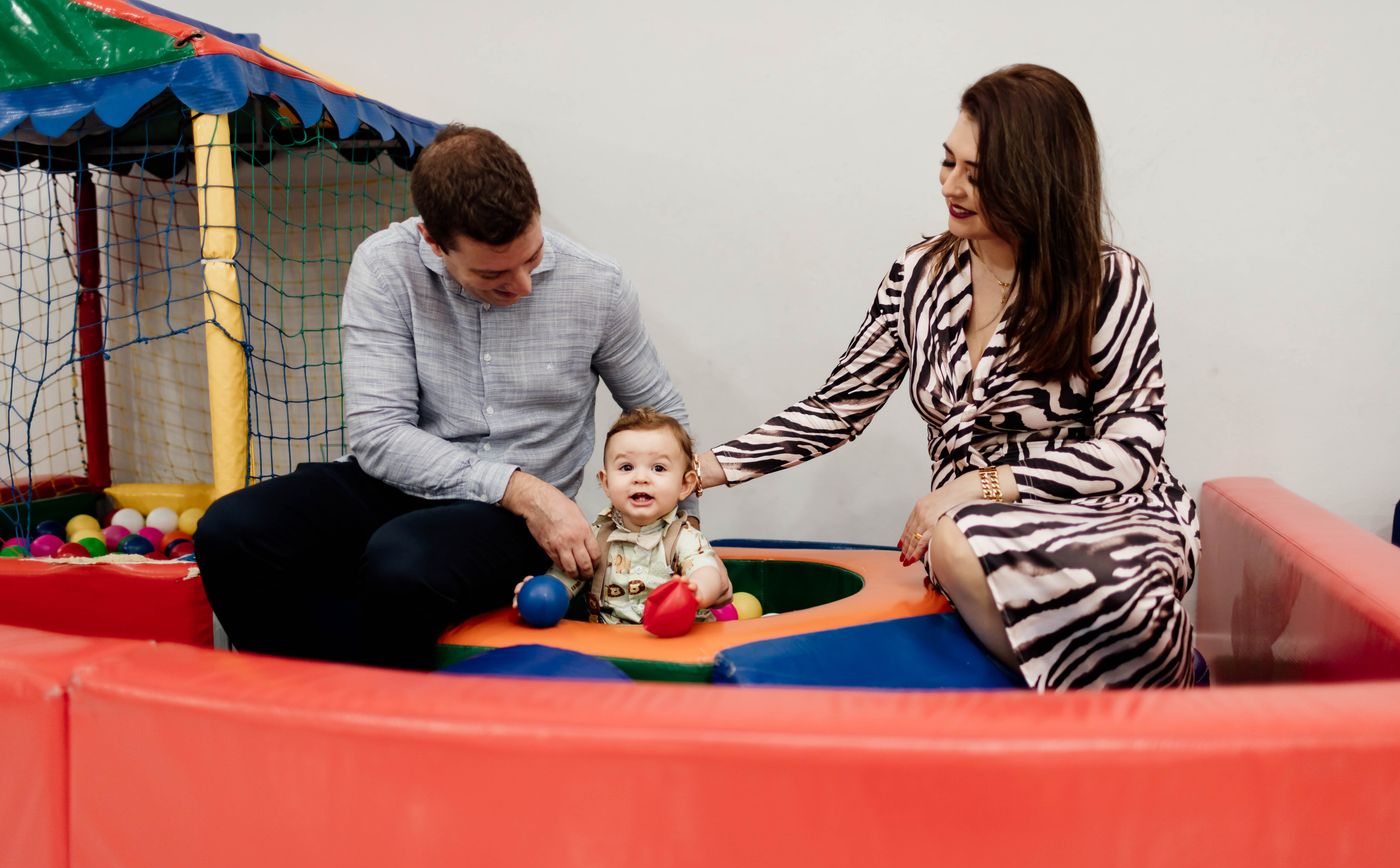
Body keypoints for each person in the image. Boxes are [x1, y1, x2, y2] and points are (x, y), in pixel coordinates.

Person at [696, 64, 1199, 690]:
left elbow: (1133, 449)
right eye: (947, 161)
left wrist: (980, 484)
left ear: (1035, 179)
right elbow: (838, 407)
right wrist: (701, 468)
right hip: (976, 535)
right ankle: (1113, 687)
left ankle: (1119, 673)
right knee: (960, 543)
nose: (950, 186)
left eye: (977, 175)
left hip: (1105, 512)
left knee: (1075, 569)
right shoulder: (918, 275)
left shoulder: (1110, 280)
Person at [196, 125, 693, 669]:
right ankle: (312, 695)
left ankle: (361, 694)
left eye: (531, 258)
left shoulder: (598, 285)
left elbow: (665, 418)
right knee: (231, 531)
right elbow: (379, 435)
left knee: (402, 560)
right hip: (413, 484)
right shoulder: (386, 265)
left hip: (516, 524)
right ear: (434, 242)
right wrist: (520, 488)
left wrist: (684, 546)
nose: (523, 285)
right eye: (493, 274)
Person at [516, 408, 731, 625]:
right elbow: (565, 579)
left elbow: (705, 570)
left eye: (658, 468)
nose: (640, 478)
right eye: (627, 467)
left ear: (685, 485)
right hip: (610, 641)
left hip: (671, 639)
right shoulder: (596, 537)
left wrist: (696, 591)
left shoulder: (684, 538)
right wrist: (539, 592)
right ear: (606, 483)